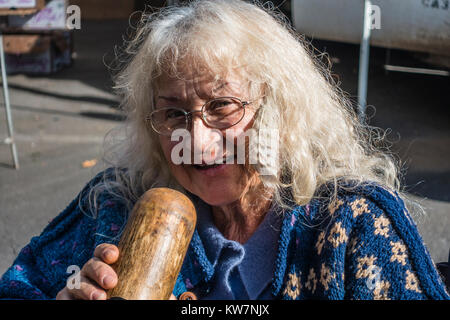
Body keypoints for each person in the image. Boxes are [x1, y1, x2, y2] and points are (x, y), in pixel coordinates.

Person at [0, 0, 448, 300]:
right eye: (173, 114)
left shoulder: (353, 225)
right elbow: (17, 286)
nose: (197, 142)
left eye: (222, 107)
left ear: (279, 109)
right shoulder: (117, 205)